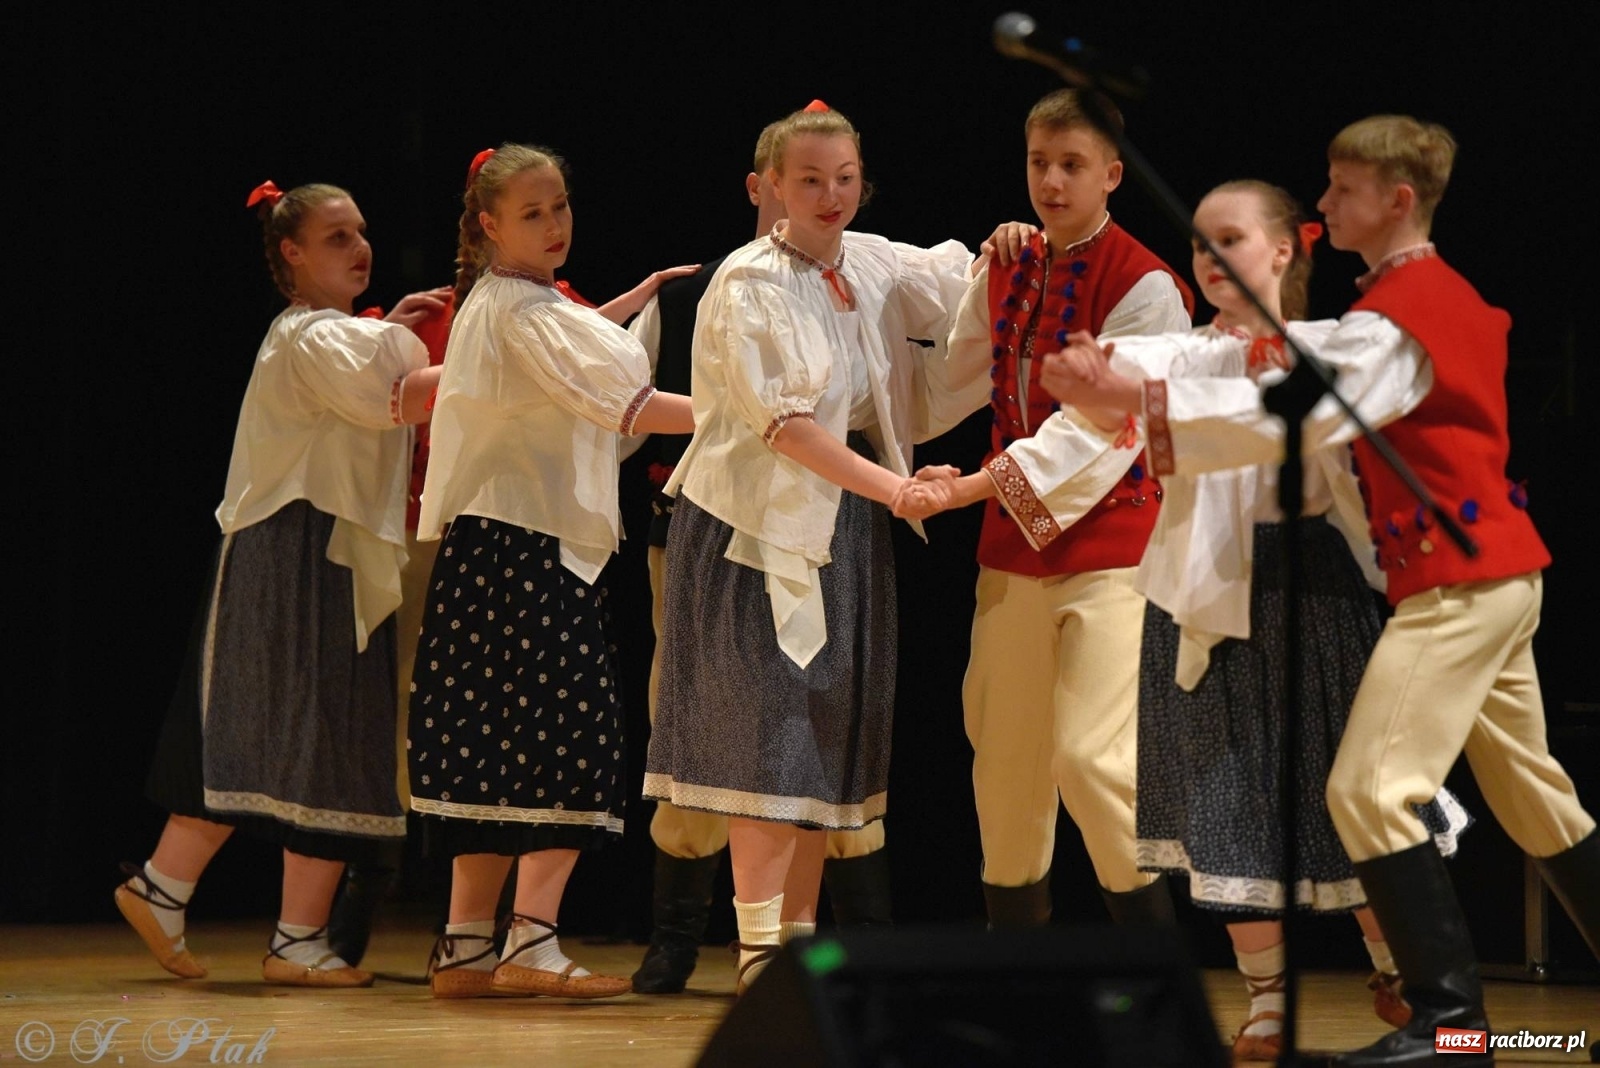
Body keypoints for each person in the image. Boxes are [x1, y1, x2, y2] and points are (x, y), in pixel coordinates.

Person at [1045, 115, 1598, 1068]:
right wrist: (1119, 385)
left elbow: (1290, 411)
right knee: (1541, 803)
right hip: (1490, 573)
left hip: (1460, 582)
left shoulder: (1400, 316)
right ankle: (1457, 1027)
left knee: (1368, 792)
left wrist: (1137, 400)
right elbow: (1253, 383)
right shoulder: (1395, 306)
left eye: (1340, 191)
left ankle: (1451, 1028)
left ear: (1396, 200)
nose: (1326, 205)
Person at [641, 100, 975, 993]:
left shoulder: (867, 259)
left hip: (844, 524)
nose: (831, 196)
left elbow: (968, 297)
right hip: (757, 532)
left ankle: (797, 957)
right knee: (769, 738)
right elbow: (785, 427)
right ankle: (757, 957)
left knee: (821, 744)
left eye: (846, 179)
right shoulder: (750, 283)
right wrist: (898, 487)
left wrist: (1016, 249)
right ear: (767, 189)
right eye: (810, 181)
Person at [114, 180, 448, 988]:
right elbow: (394, 399)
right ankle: (171, 887)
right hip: (289, 546)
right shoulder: (305, 337)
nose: (360, 246)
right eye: (337, 237)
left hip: (333, 546)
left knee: (331, 731)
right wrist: (489, 359)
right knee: (256, 724)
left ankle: (289, 934)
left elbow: (382, 378)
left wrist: (404, 336)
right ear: (291, 253)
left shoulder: (342, 336)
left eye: (362, 231)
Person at [409, 143, 697, 999]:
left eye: (561, 206)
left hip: (493, 548)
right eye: (533, 213)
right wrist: (750, 418)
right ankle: (529, 941)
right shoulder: (522, 313)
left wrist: (637, 296)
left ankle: (465, 946)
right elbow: (624, 403)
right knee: (569, 737)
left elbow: (576, 348)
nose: (555, 224)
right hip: (525, 548)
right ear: (489, 224)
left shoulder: (508, 302)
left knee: (494, 744)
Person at [934, 87, 1193, 928]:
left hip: (1115, 548)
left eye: (1072, 165)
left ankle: (1157, 969)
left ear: (1112, 174)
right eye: (1039, 163)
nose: (1051, 180)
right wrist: (981, 268)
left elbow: (1101, 431)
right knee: (1004, 763)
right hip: (1012, 551)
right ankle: (1018, 972)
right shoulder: (1014, 262)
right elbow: (948, 379)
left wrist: (970, 486)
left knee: (1094, 761)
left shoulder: (1148, 285)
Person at [327, 289, 455, 967]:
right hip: (420, 533)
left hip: (507, 535)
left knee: (489, 724)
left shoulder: (558, 305)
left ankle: (470, 929)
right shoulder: (431, 315)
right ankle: (359, 903)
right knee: (398, 710)